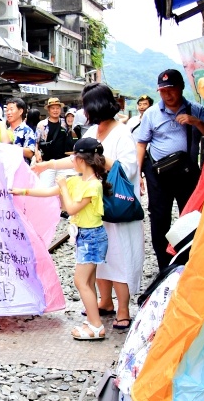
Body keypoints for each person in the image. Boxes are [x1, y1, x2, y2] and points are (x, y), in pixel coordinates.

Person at [36, 82, 145, 330]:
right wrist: (48, 165)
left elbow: (127, 170)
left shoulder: (123, 133)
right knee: (101, 258)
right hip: (96, 208)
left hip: (117, 207)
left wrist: (97, 155)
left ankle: (124, 310)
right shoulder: (92, 131)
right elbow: (77, 159)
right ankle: (105, 302)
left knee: (120, 257)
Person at [13, 135, 110, 340]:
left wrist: (64, 188)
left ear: (83, 160)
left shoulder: (93, 185)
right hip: (83, 236)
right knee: (88, 281)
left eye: (74, 157)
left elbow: (72, 208)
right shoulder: (76, 180)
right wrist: (22, 191)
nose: (72, 161)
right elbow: (48, 192)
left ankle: (96, 326)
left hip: (92, 237)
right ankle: (92, 321)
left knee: (80, 281)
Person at [136, 69, 204, 273]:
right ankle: (164, 267)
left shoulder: (195, 109)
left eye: (171, 89)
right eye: (162, 91)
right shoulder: (151, 113)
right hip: (158, 174)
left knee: (190, 217)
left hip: (187, 173)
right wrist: (138, 174)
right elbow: (141, 143)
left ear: (181, 88)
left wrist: (196, 122)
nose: (167, 94)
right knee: (159, 218)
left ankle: (189, 262)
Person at [34, 97, 74, 186]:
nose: (55, 110)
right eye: (53, 108)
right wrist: (37, 153)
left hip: (63, 163)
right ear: (48, 110)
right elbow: (36, 142)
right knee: (45, 189)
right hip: (47, 163)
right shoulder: (42, 125)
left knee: (62, 191)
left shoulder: (65, 123)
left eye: (57, 108)